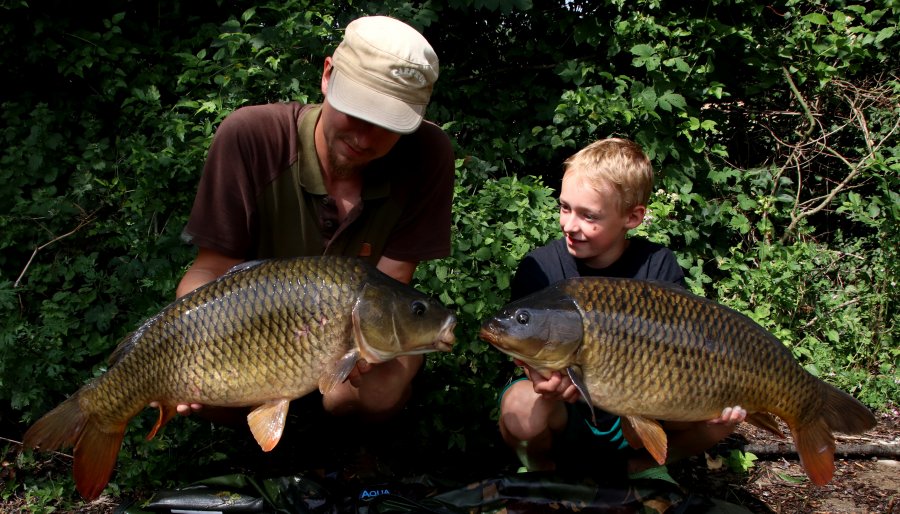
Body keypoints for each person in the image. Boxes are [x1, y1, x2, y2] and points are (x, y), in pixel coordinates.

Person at [165, 15, 454, 422]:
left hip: (351, 330)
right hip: (253, 333)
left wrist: (356, 351)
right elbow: (209, 269)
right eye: (358, 112)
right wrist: (198, 344)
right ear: (328, 75)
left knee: (373, 390)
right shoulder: (249, 136)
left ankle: (343, 451)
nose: (364, 138)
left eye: (387, 125)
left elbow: (394, 282)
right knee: (205, 383)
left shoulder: (427, 155)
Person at [498, 138, 745, 482]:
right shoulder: (540, 267)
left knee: (721, 418)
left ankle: (637, 470)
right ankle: (547, 473)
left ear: (633, 217)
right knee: (520, 409)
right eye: (565, 207)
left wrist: (716, 396)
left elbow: (686, 349)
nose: (570, 225)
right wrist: (539, 378)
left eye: (589, 216)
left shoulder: (657, 265)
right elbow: (520, 350)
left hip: (635, 410)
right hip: (563, 412)